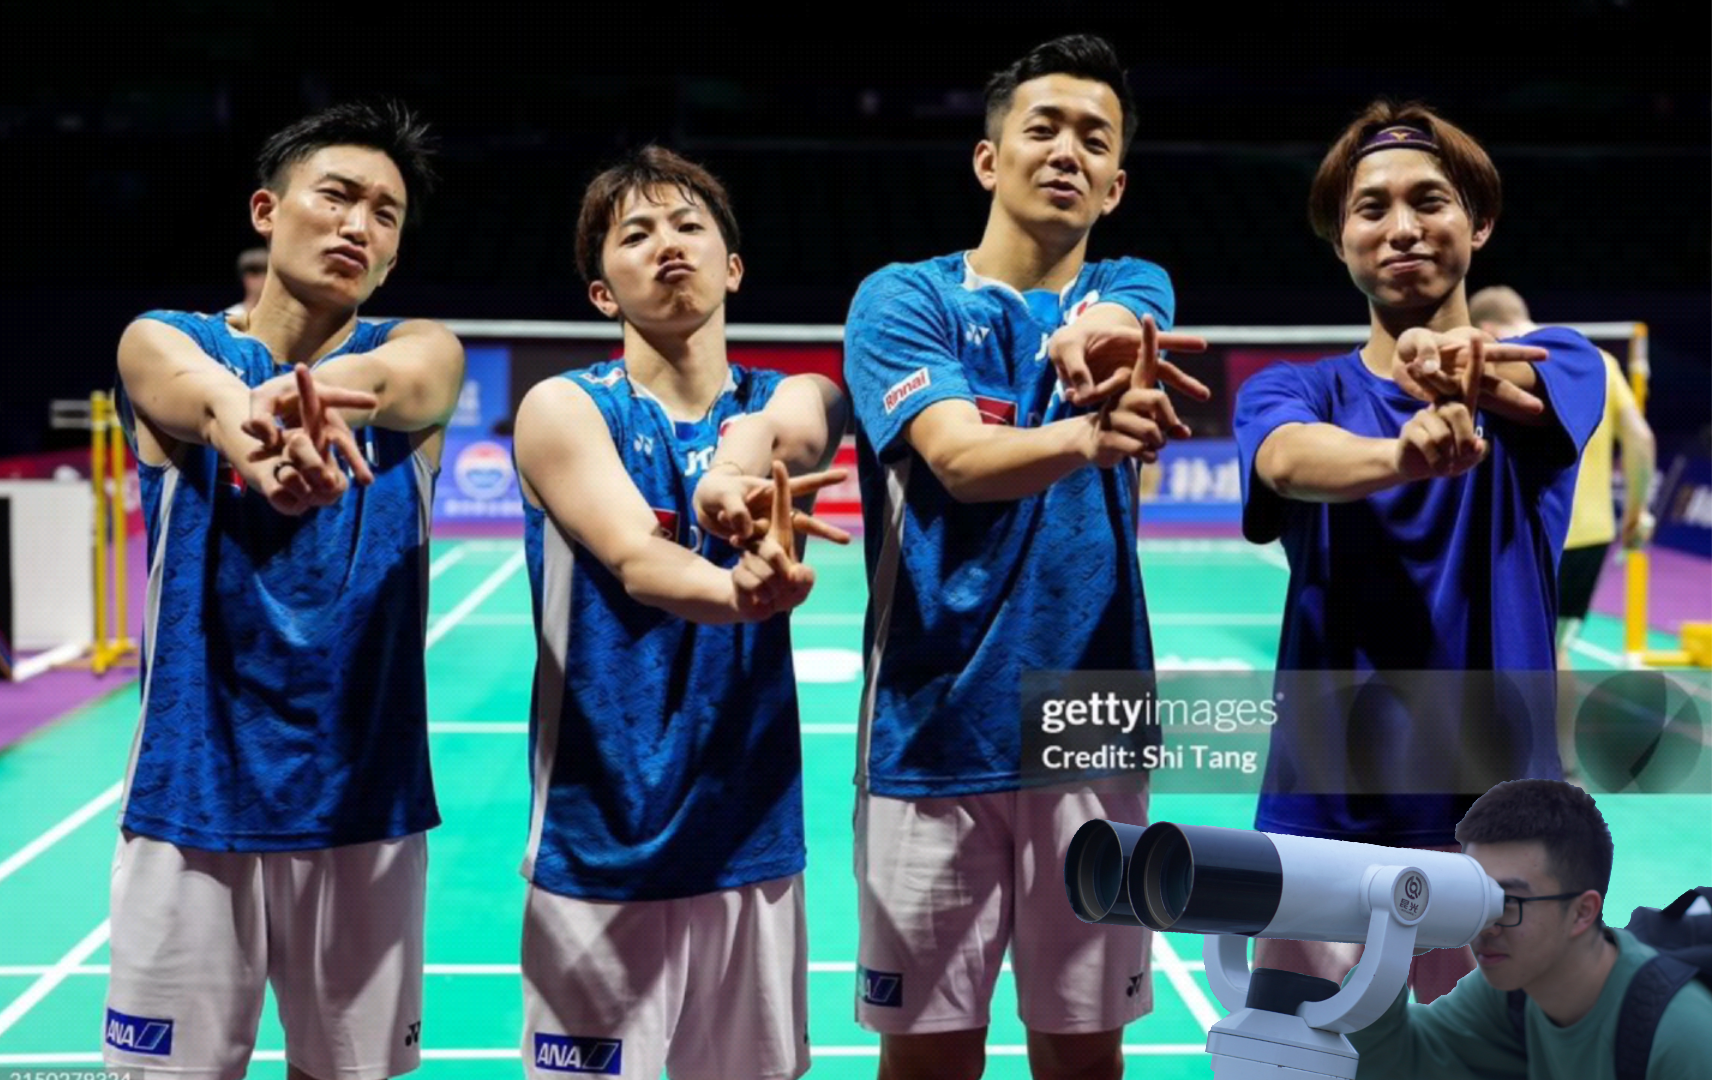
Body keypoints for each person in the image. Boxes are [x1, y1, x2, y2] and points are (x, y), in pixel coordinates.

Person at [843, 33, 1209, 1080]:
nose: (1067, 151)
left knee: (1083, 1049)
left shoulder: (1137, 283)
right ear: (987, 159)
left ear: (1116, 182)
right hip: (930, 722)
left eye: (1094, 139)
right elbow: (958, 458)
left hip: (1090, 715)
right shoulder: (903, 300)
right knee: (928, 1056)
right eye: (1041, 128)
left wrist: (1084, 347)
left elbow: (1115, 327)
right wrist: (1083, 437)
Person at [108, 100, 464, 1080]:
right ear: (268, 210)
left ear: (392, 256)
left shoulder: (424, 353)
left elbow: (400, 378)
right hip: (193, 797)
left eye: (385, 215)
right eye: (338, 197)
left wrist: (316, 404)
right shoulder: (166, 342)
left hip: (367, 805)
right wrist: (249, 424)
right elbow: (189, 387)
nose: (359, 225)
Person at [1234, 101, 1606, 1003]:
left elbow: (1526, 389)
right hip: (1322, 821)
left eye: (1429, 201)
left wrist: (1474, 369)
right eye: (1371, 209)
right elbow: (1285, 459)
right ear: (1341, 242)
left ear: (1477, 224)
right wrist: (1402, 454)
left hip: (1504, 833)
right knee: (1295, 1062)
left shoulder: (1561, 362)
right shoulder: (1295, 388)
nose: (1402, 228)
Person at [514, 145, 848, 1080]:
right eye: (636, 234)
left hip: (751, 840)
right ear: (601, 293)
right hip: (601, 847)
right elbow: (634, 556)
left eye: (688, 226)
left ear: (732, 267)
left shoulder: (788, 401)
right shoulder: (564, 409)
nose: (667, 245)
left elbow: (806, 408)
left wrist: (740, 466)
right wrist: (740, 593)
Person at [1348, 778, 1712, 1078]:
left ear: (1583, 912)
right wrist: (1392, 945)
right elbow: (1399, 1064)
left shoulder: (1682, 1040)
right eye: (1478, 899)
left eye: (1508, 902)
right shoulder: (1515, 993)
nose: (1485, 927)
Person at [1470, 285, 1657, 779]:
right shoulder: (1595, 361)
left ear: (1487, 328)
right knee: (1559, 644)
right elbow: (1639, 436)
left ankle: (1526, 758)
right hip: (1594, 534)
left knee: (1524, 647)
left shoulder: (1495, 363)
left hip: (1535, 533)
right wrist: (1637, 514)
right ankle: (1562, 757)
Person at [226, 245, 269, 317]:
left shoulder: (285, 319)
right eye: (255, 272)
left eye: (267, 271)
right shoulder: (228, 318)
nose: (262, 277)